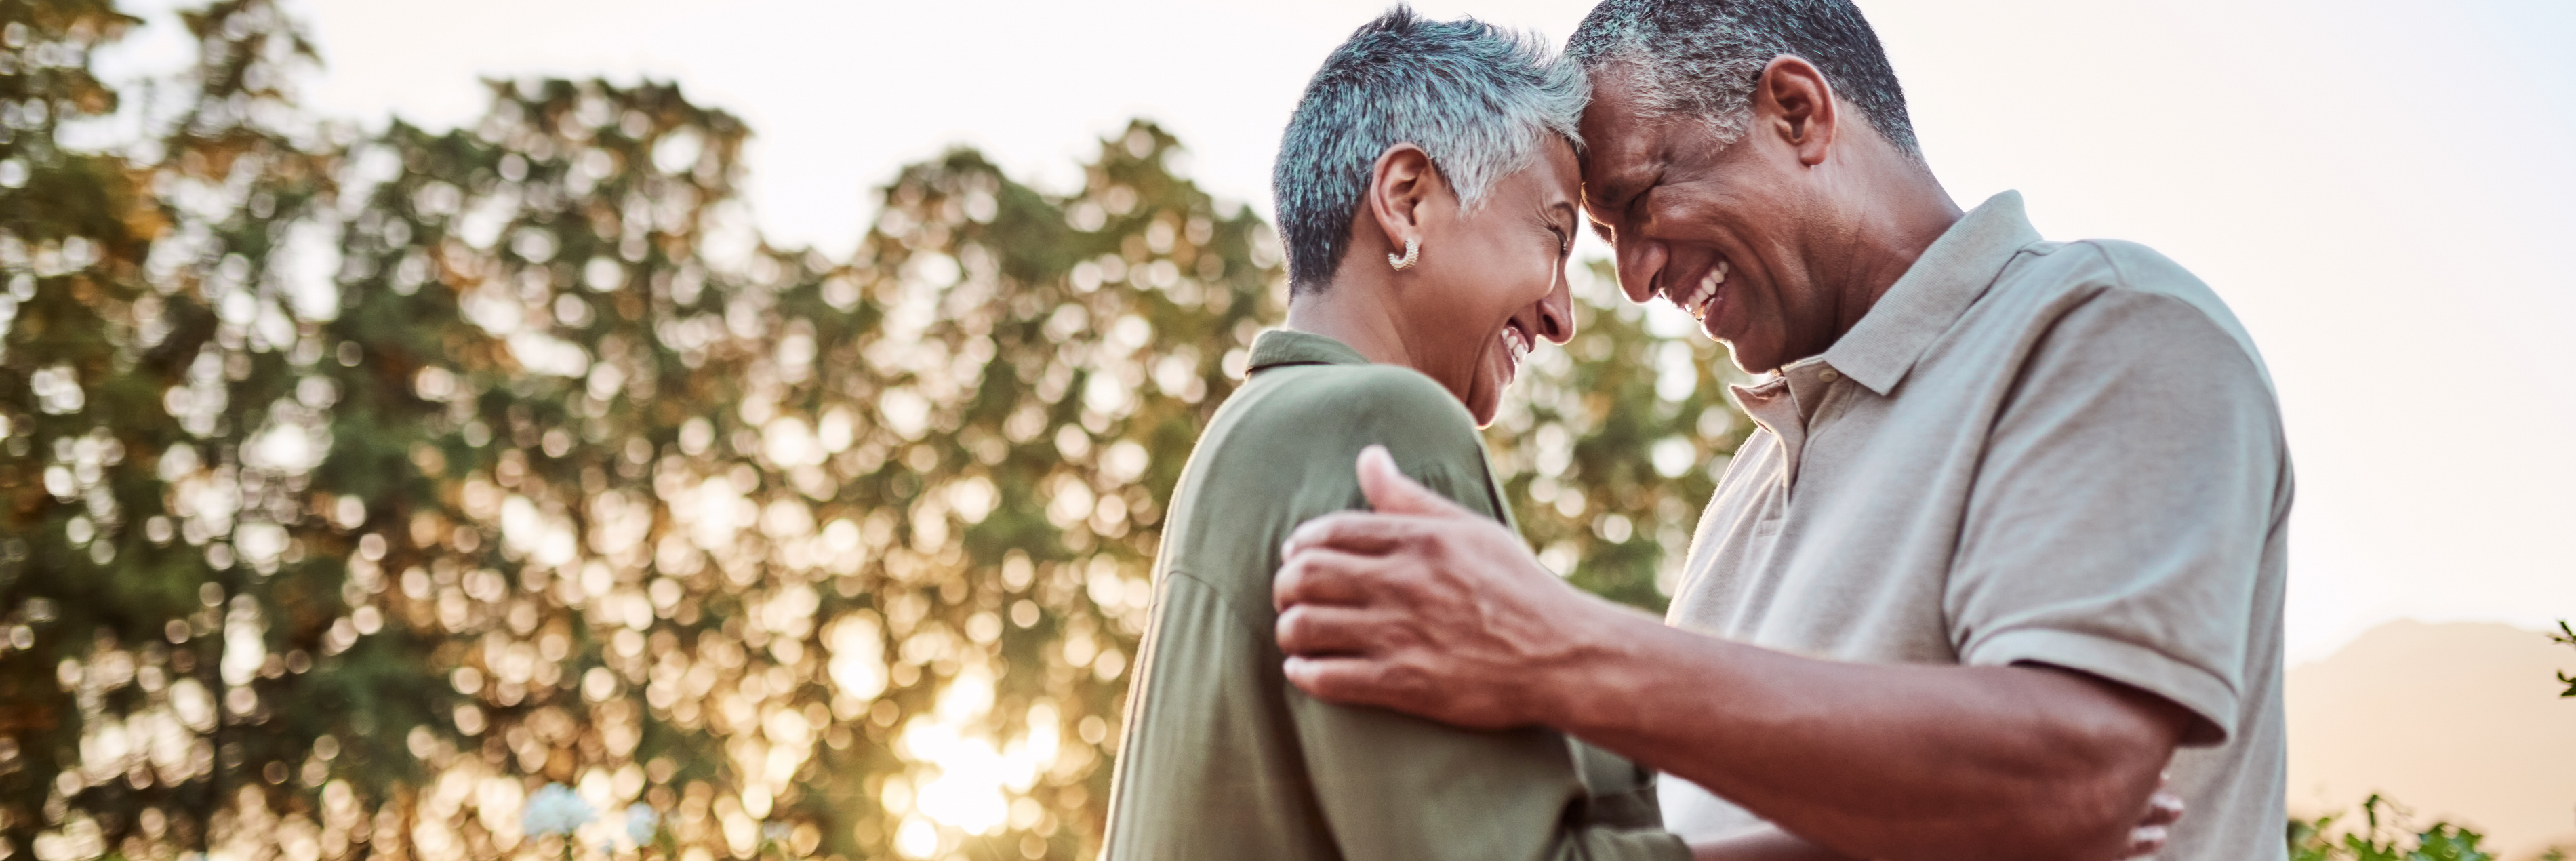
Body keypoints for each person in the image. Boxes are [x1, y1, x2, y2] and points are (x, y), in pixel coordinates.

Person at [1272, 1, 2284, 860]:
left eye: (1638, 202)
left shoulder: (2106, 328)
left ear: (1796, 113)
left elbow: (2075, 774)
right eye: (1601, 237)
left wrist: (1554, 644)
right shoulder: (1742, 497)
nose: (1630, 282)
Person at [1098, 9, 1864, 861]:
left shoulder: (1250, 441)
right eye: (1555, 234)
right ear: (1406, 201)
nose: (1561, 314)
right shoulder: (1380, 425)